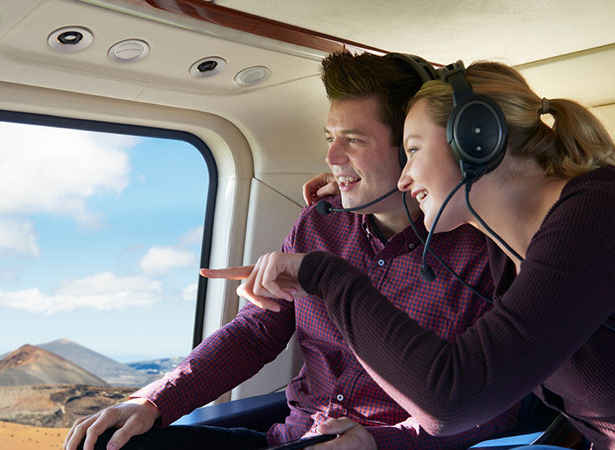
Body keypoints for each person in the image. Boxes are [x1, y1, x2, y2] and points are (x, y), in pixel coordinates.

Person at [63, 52, 520, 450]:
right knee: (110, 444)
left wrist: (380, 441)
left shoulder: (486, 253)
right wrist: (155, 400)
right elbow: (257, 331)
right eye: (330, 138)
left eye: (354, 140)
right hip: (287, 438)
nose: (332, 158)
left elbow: (498, 408)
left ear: (413, 148)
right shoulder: (320, 224)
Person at [218, 60, 615, 449]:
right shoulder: (510, 249)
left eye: (413, 151)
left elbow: (453, 399)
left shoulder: (601, 213)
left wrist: (326, 276)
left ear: (475, 143)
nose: (405, 178)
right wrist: (358, 185)